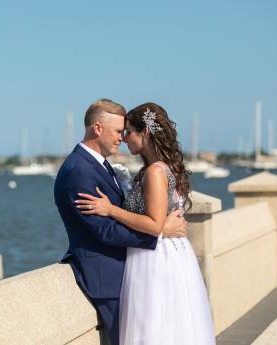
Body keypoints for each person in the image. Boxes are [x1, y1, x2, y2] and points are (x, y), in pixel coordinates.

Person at [75, 102, 215, 345]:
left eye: (129, 131)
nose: (125, 138)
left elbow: (153, 224)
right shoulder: (163, 168)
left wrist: (111, 209)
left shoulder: (155, 172)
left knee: (153, 328)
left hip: (154, 259)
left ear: (146, 133)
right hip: (169, 254)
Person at [53, 99, 188, 345]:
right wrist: (159, 231)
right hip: (107, 277)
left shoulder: (100, 165)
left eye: (125, 132)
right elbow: (104, 231)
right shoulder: (78, 170)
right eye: (118, 131)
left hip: (129, 271)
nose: (122, 138)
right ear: (97, 129)